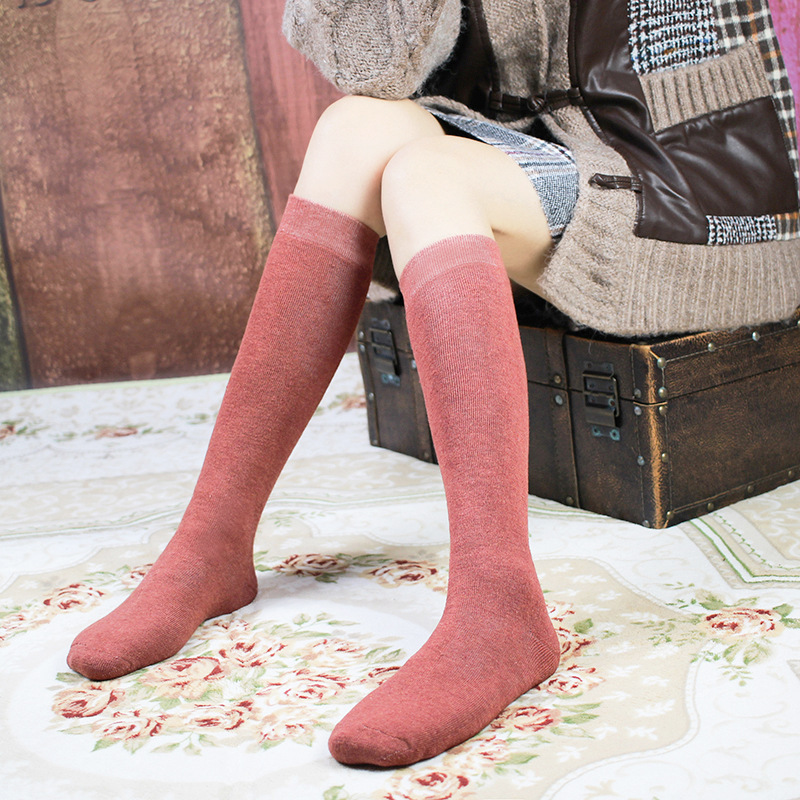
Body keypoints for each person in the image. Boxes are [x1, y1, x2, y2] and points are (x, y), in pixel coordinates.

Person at [67, 0, 799, 768]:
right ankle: (212, 544)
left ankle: (500, 608)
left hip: (703, 184)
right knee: (354, 126)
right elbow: (373, 70)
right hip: (561, 151)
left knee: (427, 176)